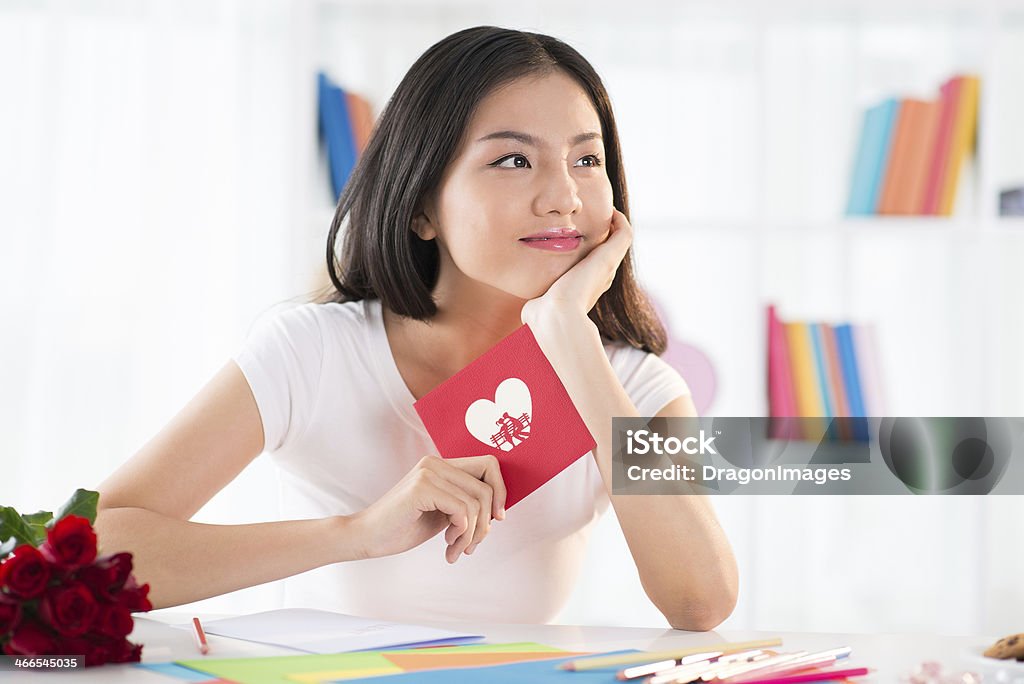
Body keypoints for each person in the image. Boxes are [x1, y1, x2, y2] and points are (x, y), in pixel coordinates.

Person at [95, 26, 738, 630]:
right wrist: (356, 533)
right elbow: (95, 547)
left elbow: (700, 602)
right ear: (423, 206)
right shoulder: (313, 352)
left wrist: (570, 338)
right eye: (513, 160)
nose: (563, 197)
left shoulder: (636, 387)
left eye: (587, 160)